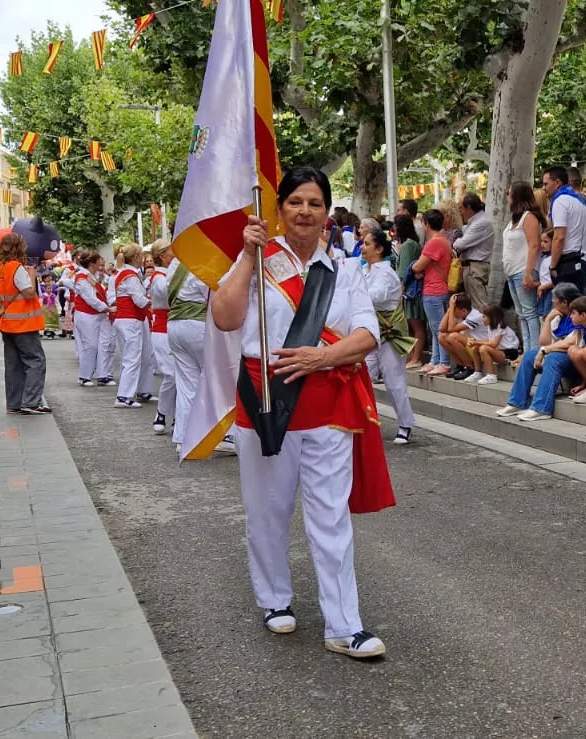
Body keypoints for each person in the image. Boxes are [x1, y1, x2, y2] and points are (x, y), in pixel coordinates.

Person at [208, 166, 391, 659]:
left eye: (314, 203)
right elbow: (225, 317)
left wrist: (324, 356)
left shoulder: (346, 269)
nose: (305, 211)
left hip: (328, 403)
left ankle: (343, 625)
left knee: (331, 517)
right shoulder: (258, 261)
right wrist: (248, 253)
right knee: (267, 510)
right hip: (266, 401)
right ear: (279, 209)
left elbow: (367, 333)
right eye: (295, 202)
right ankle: (273, 600)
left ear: (327, 213)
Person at [496, 283, 583, 422]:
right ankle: (517, 403)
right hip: (558, 354)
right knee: (530, 355)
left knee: (552, 358)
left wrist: (545, 351)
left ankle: (541, 408)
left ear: (565, 301)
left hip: (577, 361)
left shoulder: (580, 313)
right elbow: (544, 343)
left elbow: (572, 342)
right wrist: (548, 320)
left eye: (555, 299)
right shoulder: (558, 316)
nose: (552, 301)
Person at [360, 228, 416, 444]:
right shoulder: (365, 269)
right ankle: (366, 420)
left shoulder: (385, 272)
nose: (362, 247)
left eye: (366, 244)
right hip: (371, 333)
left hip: (390, 333)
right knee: (361, 374)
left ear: (379, 249)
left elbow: (377, 296)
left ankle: (405, 424)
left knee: (394, 381)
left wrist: (354, 292)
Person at [0, 233, 49, 415]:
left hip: (5, 321)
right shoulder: (16, 267)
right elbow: (29, 293)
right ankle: (31, 402)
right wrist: (31, 274)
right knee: (35, 360)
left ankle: (14, 403)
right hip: (23, 322)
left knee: (13, 364)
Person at [165, 248, 210, 452]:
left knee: (186, 384)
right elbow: (211, 295)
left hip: (175, 324)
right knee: (214, 381)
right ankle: (223, 434)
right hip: (198, 324)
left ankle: (184, 438)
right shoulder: (204, 260)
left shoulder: (175, 263)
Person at [502, 182, 545, 354]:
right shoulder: (515, 219)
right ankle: (527, 350)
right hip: (512, 271)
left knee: (529, 312)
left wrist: (528, 273)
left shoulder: (529, 217)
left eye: (509, 192)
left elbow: (534, 245)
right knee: (521, 313)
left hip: (523, 269)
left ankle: (533, 351)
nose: (507, 196)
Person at [111, 244, 153, 408]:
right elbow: (138, 299)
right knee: (132, 358)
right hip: (131, 320)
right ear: (136, 257)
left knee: (137, 356)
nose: (143, 258)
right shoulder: (130, 275)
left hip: (127, 319)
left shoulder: (125, 273)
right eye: (141, 255)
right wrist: (150, 301)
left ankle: (141, 390)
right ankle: (124, 396)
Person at [412, 209, 454, 375]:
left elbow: (418, 266)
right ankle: (435, 360)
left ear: (426, 224)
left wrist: (416, 269)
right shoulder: (443, 240)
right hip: (439, 287)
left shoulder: (433, 243)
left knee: (437, 328)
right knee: (435, 326)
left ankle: (443, 361)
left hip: (433, 289)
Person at [541, 165, 586, 293]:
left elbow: (559, 237)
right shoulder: (580, 201)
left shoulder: (560, 201)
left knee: (565, 306)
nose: (543, 188)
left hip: (570, 261)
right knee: (576, 307)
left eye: (546, 184)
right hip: (583, 260)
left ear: (557, 183)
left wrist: (552, 266)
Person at [147, 239, 178, 434]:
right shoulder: (158, 277)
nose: (175, 254)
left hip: (177, 325)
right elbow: (170, 294)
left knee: (183, 376)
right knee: (171, 375)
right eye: (171, 252)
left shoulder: (172, 271)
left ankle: (177, 416)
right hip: (162, 329)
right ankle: (161, 412)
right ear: (162, 256)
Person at [71, 251, 110, 387]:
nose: (99, 265)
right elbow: (90, 298)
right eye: (97, 263)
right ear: (92, 264)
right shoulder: (82, 277)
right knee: (90, 345)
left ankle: (102, 374)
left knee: (101, 345)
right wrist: (106, 308)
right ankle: (84, 376)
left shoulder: (90, 276)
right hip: (86, 315)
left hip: (96, 314)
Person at [392, 215, 426, 369]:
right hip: (413, 289)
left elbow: (403, 271)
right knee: (413, 325)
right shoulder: (413, 244)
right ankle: (414, 356)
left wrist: (400, 291)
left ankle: (416, 357)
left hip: (411, 291)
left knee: (415, 325)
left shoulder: (408, 246)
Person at [451, 193, 494, 311]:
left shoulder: (481, 223)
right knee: (474, 304)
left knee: (480, 304)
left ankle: (490, 327)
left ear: (469, 208)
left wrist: (457, 241)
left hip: (476, 267)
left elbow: (459, 244)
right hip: (471, 267)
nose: (460, 212)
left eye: (461, 208)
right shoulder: (474, 223)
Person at [436, 293, 481, 381]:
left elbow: (451, 329)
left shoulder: (475, 316)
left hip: (479, 346)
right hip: (469, 345)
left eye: (454, 310)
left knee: (453, 337)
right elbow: (442, 328)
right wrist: (450, 309)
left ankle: (469, 367)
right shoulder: (461, 314)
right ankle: (460, 365)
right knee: (442, 337)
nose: (453, 313)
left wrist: (452, 308)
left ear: (464, 311)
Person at [471, 305, 519, 385]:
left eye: (484, 317)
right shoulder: (491, 327)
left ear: (492, 317)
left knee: (484, 348)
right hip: (500, 352)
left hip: (510, 354)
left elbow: (493, 344)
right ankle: (477, 372)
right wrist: (475, 342)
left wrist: (477, 342)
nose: (482, 319)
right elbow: (489, 340)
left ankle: (491, 376)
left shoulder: (500, 326)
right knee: (475, 348)